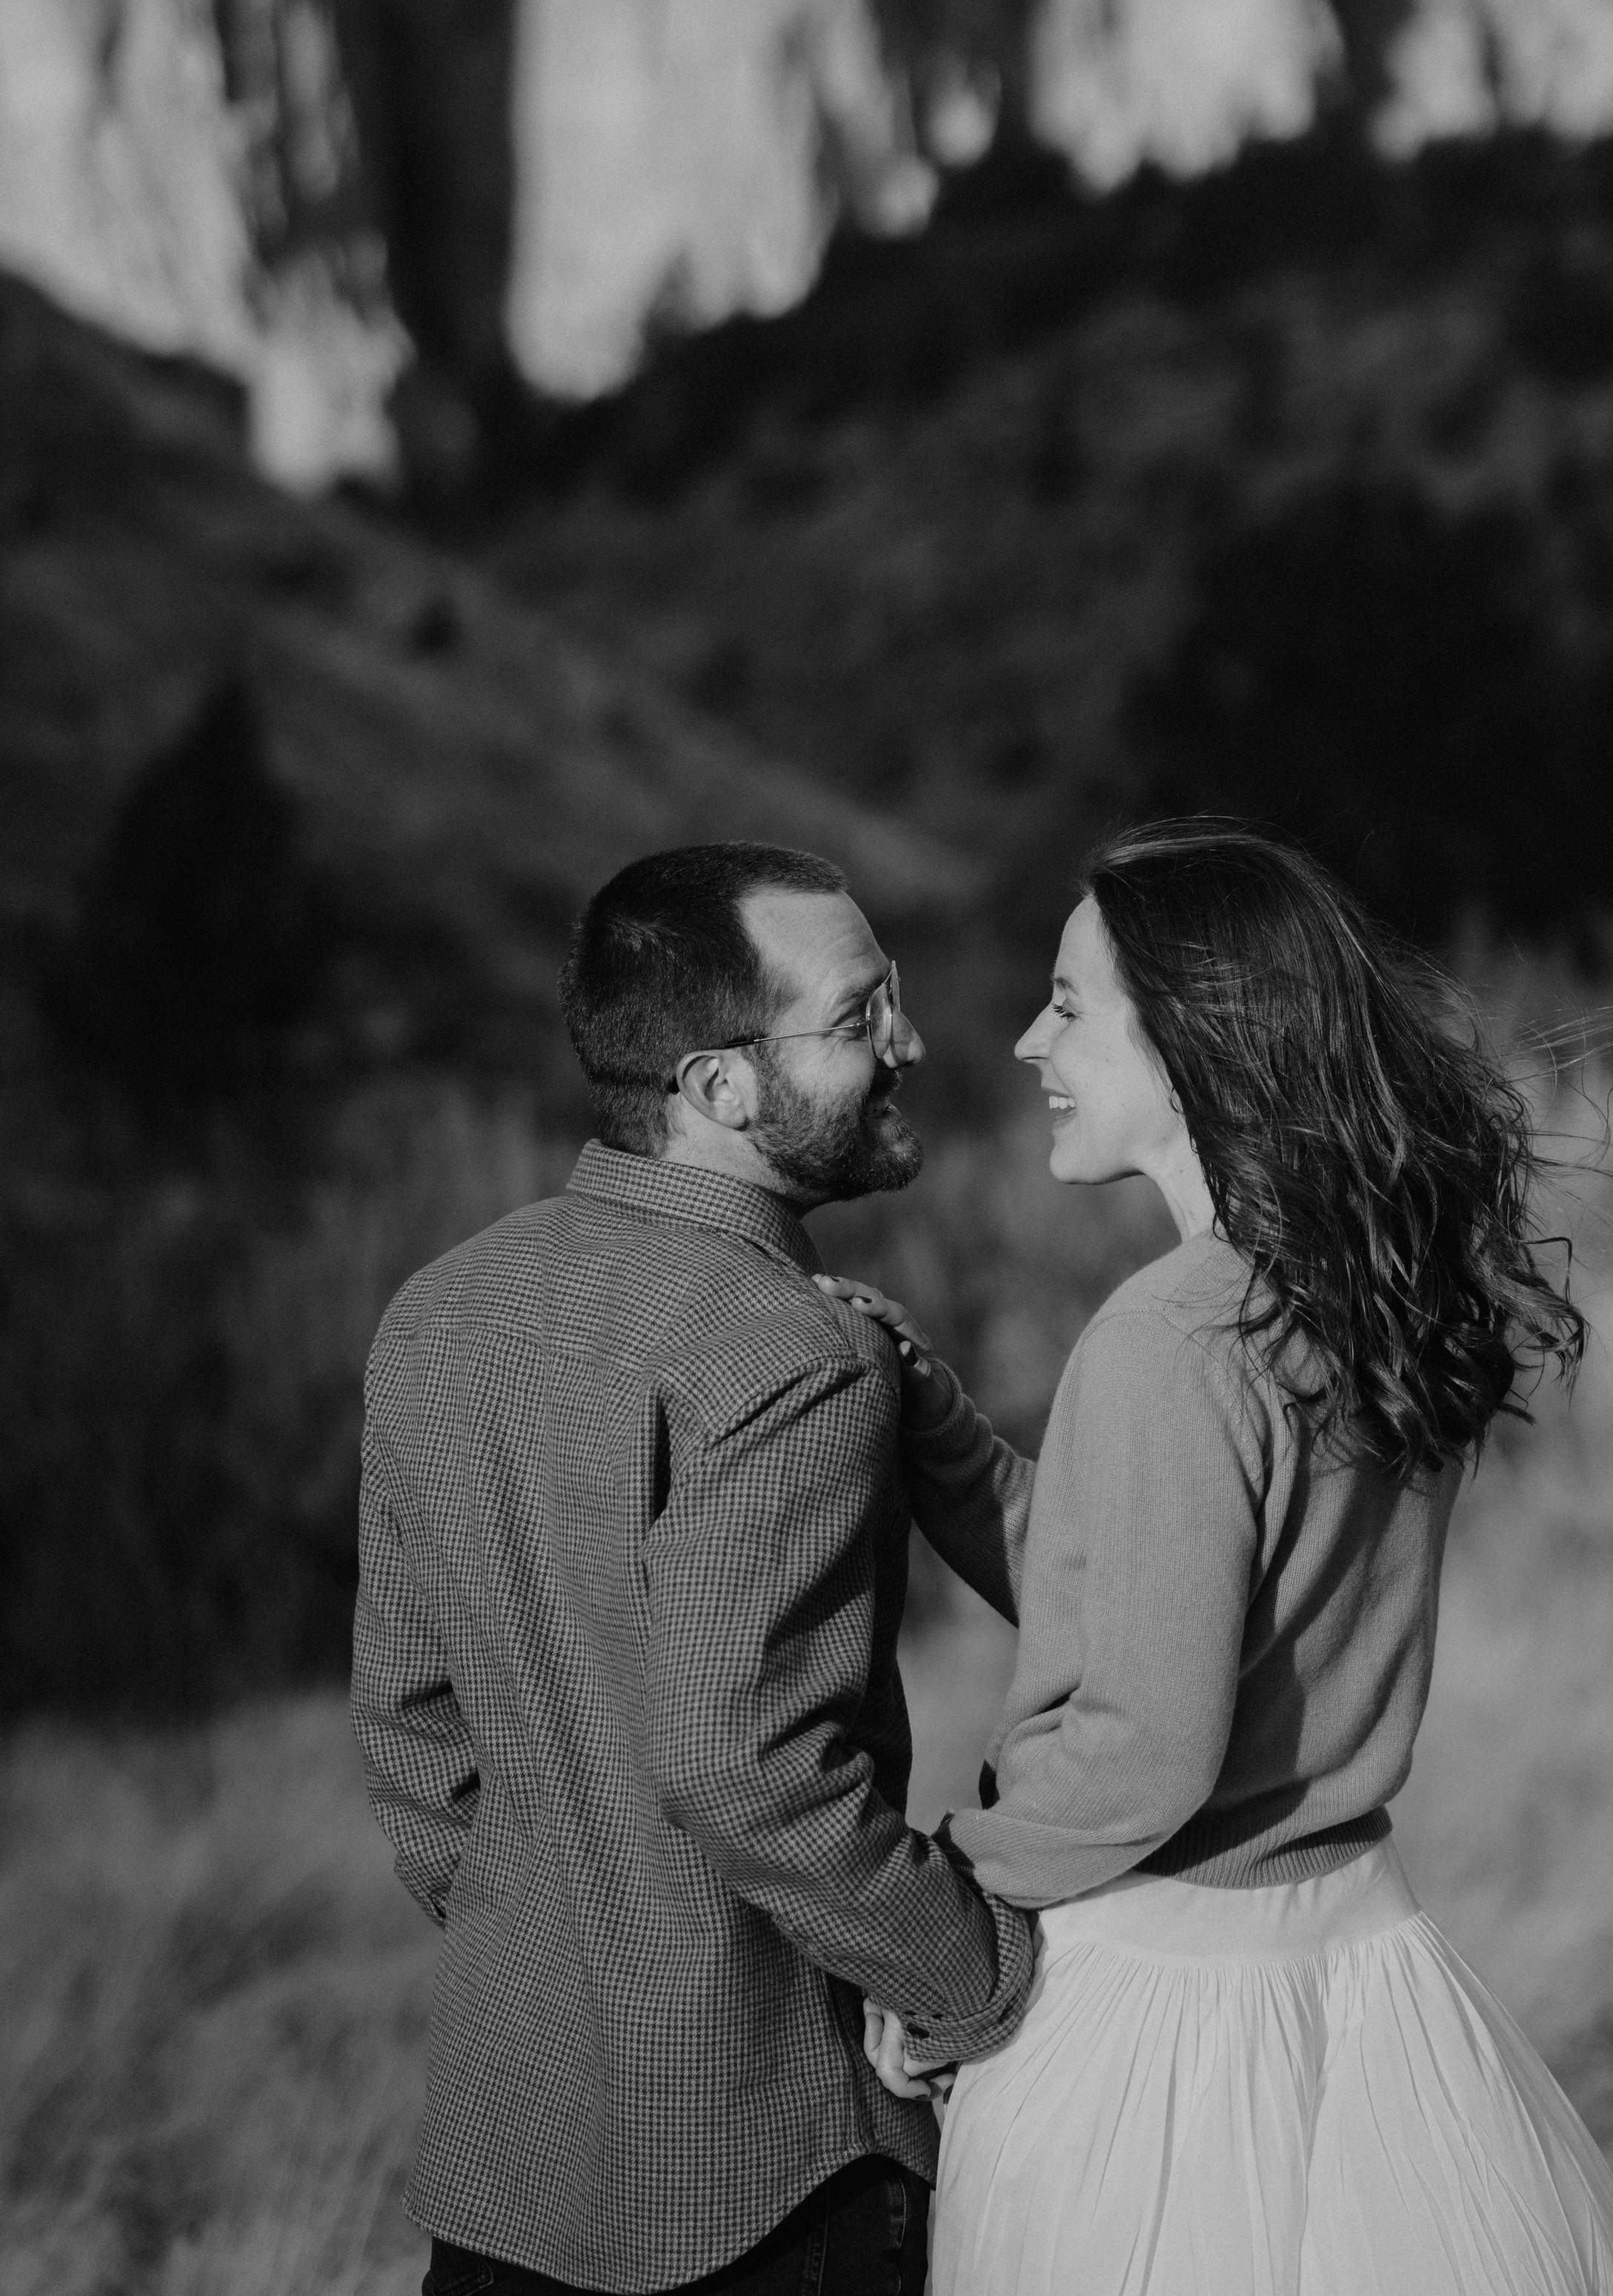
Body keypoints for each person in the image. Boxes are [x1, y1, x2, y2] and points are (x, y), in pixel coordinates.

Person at [828, 817, 1613, 2295]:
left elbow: (1141, 1742)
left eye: (1072, 1004)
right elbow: (1142, 1587)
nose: (1030, 1039)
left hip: (1170, 2017)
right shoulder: (1358, 1299)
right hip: (1368, 1980)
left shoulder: (1169, 1336)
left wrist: (942, 1897)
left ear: (1190, 1041)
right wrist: (936, 1425)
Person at [350, 841, 1037, 2296]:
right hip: (776, 2174)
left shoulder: (437, 1310)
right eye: (859, 1017)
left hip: (504, 2163)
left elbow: (413, 1745)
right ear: (721, 1089)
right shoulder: (792, 1349)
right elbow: (756, 1774)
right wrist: (980, 1979)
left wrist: (575, 1947)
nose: (906, 1041)